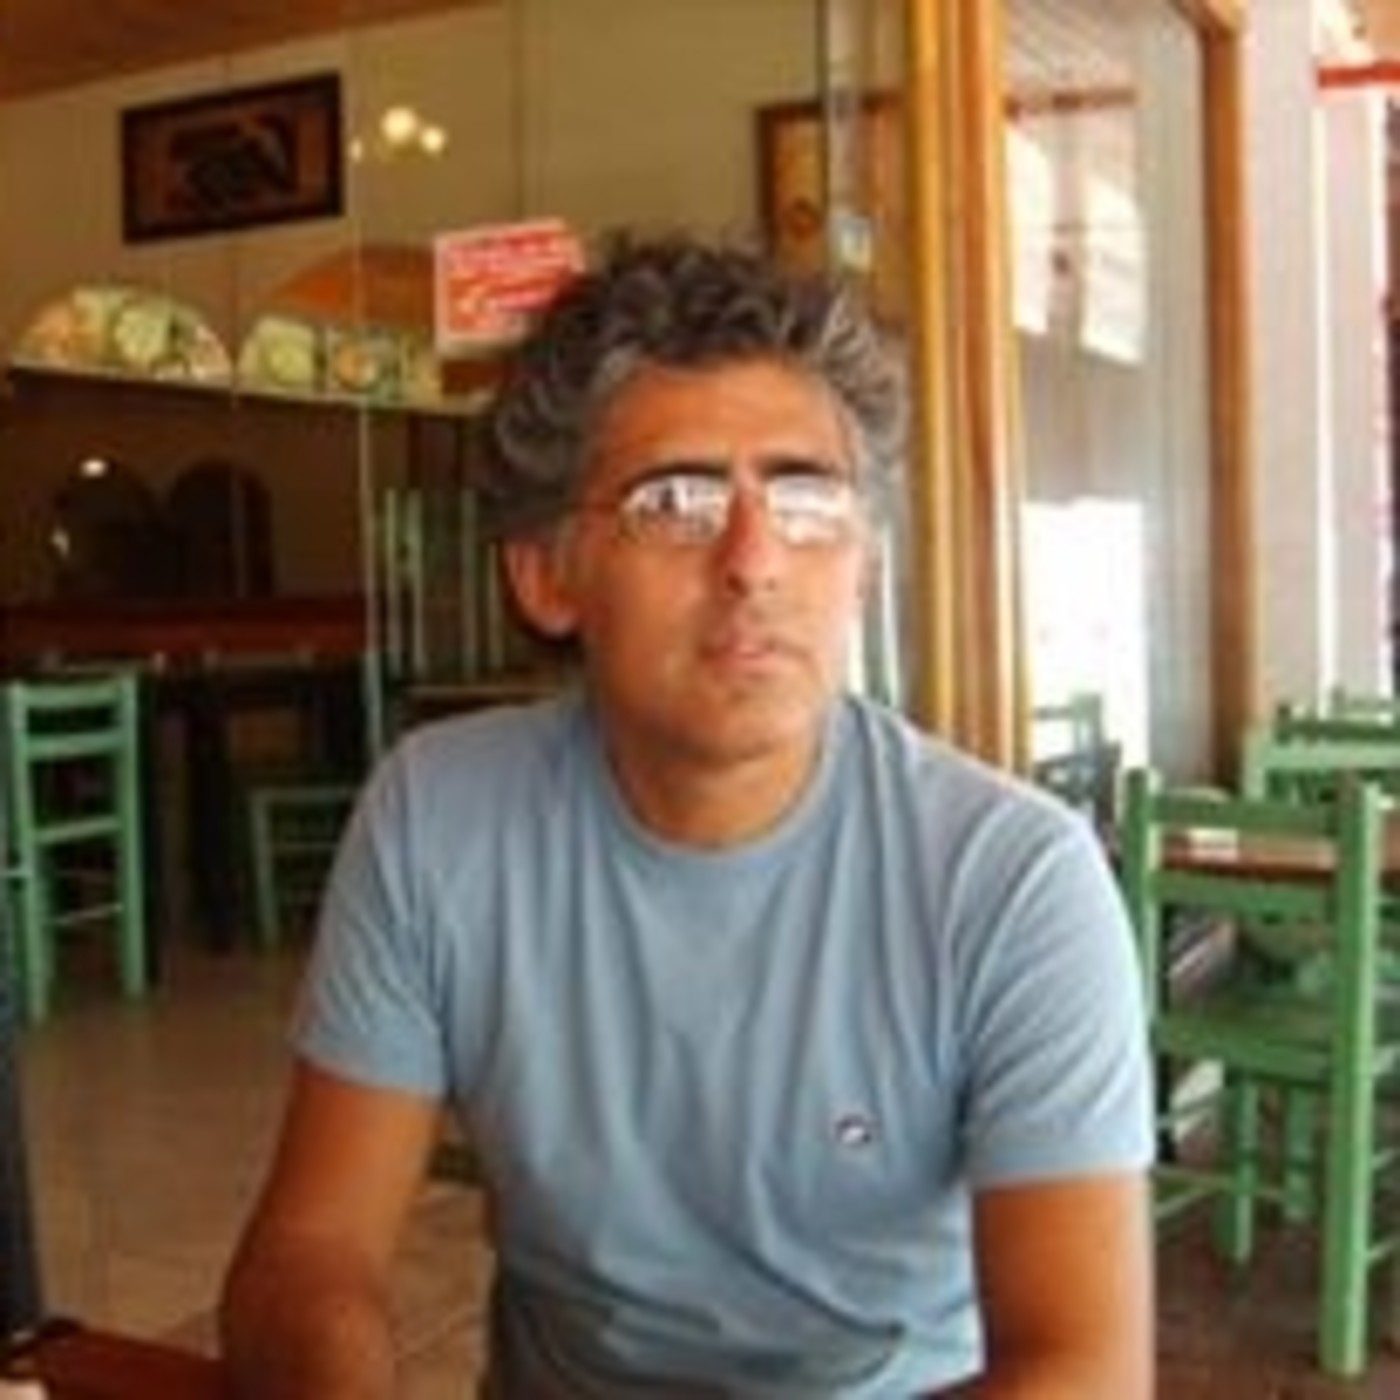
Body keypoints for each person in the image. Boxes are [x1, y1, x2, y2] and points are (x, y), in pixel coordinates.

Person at [219, 232, 1155, 1398]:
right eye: (676, 500)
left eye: (806, 498)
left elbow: (1080, 1367)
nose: (755, 559)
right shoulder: (438, 817)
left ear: (861, 562)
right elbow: (311, 1250)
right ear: (545, 572)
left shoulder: (1010, 879)